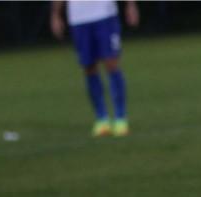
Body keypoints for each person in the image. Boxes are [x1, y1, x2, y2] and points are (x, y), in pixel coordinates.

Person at [50, 0, 139, 137]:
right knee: (89, 67)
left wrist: (131, 5)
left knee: (111, 63)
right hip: (79, 18)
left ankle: (120, 118)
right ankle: (102, 119)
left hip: (105, 14)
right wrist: (55, 15)